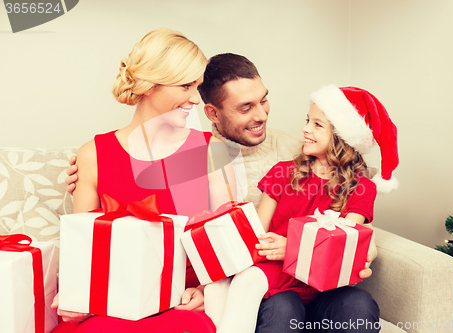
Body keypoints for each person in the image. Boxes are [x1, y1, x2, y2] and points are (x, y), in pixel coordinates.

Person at [66, 53, 387, 332]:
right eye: (245, 107)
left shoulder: (296, 149)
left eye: (263, 100)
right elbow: (144, 197)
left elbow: (354, 218)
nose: (261, 115)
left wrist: (352, 250)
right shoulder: (198, 153)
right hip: (267, 282)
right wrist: (89, 171)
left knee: (357, 306)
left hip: (316, 282)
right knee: (282, 310)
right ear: (212, 113)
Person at [53, 28, 237, 333]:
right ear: (149, 85)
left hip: (178, 303)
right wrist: (76, 297)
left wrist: (207, 291)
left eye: (198, 86)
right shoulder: (93, 154)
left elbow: (225, 245)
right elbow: (84, 248)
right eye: (185, 86)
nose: (195, 99)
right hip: (111, 304)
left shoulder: (211, 151)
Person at [203, 84, 399, 333]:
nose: (305, 129)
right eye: (308, 121)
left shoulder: (361, 187)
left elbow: (342, 244)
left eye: (317, 125)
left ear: (342, 136)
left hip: (325, 290)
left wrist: (292, 249)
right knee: (283, 310)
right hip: (280, 287)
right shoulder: (282, 173)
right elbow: (258, 238)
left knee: (359, 304)